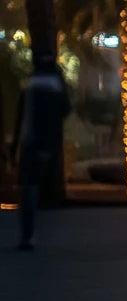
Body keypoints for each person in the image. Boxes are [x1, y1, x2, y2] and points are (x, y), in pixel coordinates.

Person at [10, 55, 71, 251]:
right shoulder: (55, 88)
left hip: (29, 141)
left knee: (28, 186)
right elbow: (65, 111)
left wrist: (14, 147)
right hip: (47, 142)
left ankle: (28, 233)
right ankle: (35, 230)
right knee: (36, 185)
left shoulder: (29, 86)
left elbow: (20, 118)